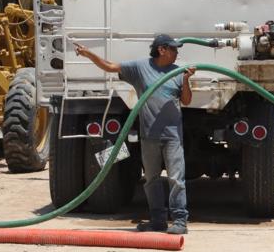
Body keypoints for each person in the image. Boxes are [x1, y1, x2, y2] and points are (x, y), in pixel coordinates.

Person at [74, 34, 195, 234]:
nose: (177, 53)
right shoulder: (140, 68)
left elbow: (187, 101)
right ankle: (158, 220)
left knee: (176, 179)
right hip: (149, 136)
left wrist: (187, 79)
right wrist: (89, 54)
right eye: (173, 49)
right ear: (161, 50)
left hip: (173, 136)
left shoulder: (178, 72)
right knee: (152, 179)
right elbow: (110, 66)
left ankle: (180, 221)